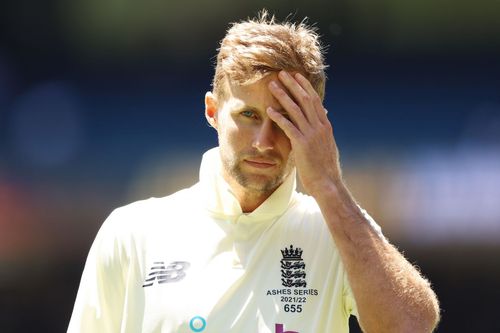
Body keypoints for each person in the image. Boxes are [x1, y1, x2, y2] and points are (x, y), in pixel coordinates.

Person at [68, 11, 440, 333]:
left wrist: (329, 186)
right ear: (212, 112)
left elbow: (411, 325)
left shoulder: (339, 231)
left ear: (315, 127)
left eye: (286, 120)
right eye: (249, 115)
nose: (265, 141)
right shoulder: (132, 233)